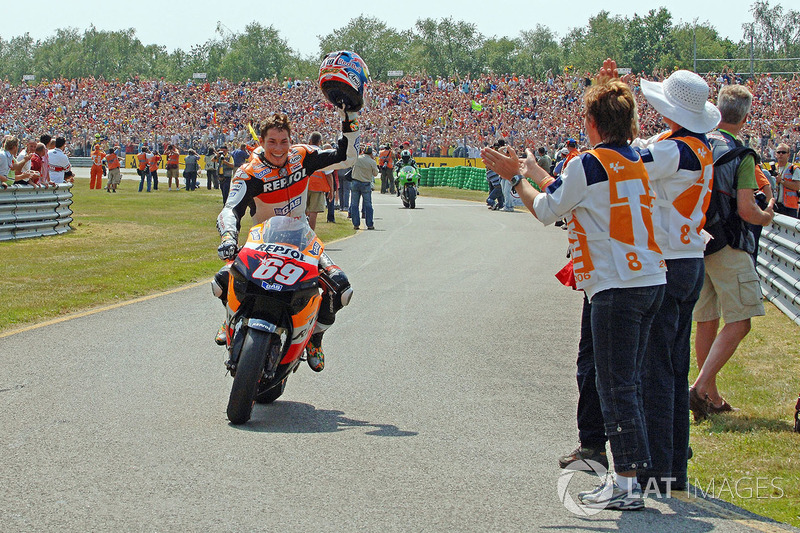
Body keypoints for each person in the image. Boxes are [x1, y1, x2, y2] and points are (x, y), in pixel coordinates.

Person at [482, 72, 666, 511]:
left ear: (592, 122)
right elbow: (572, 199)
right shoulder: (636, 156)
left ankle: (625, 483)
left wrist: (514, 178)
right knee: (628, 383)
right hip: (649, 278)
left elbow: (547, 209)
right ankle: (631, 476)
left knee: (614, 385)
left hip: (616, 284)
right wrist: (533, 172)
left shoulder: (587, 162)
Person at [630, 67, 721, 492]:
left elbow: (626, 162)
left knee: (656, 370)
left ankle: (657, 469)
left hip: (667, 262)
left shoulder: (672, 151)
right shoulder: (697, 146)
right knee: (673, 364)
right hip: (690, 260)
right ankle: (674, 468)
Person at [214, 110, 359, 372]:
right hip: (261, 242)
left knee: (341, 288)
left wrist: (348, 116)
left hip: (301, 239)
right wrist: (228, 237)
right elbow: (229, 209)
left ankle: (315, 338)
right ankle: (230, 320)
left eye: (284, 142)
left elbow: (346, 157)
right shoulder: (249, 173)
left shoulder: (302, 157)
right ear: (261, 142)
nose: (278, 149)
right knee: (222, 280)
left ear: (291, 141)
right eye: (272, 142)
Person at [690, 84, 776, 421]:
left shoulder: (700, 142)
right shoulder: (741, 154)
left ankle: (711, 396)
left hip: (699, 242)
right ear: (745, 116)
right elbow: (746, 210)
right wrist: (766, 214)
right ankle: (698, 391)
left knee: (706, 320)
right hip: (728, 243)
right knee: (740, 321)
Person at [305, 132, 334, 230]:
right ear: (320, 142)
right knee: (313, 212)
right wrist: (331, 190)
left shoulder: (304, 152)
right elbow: (329, 174)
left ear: (310, 141)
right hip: (317, 187)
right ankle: (311, 236)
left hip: (304, 186)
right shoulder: (322, 154)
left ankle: (301, 233)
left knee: (302, 212)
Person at [350, 145, 378, 230]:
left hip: (355, 181)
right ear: (370, 153)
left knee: (354, 204)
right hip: (366, 183)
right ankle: (369, 224)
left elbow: (351, 167)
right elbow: (375, 173)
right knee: (368, 204)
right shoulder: (372, 161)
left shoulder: (357, 159)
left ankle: (356, 224)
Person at [773, 143, 799, 218]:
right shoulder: (774, 168)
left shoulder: (793, 169)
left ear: (788, 155)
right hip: (776, 205)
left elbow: (797, 186)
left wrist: (782, 181)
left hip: (790, 207)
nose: (780, 154)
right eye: (778, 152)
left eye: (783, 152)